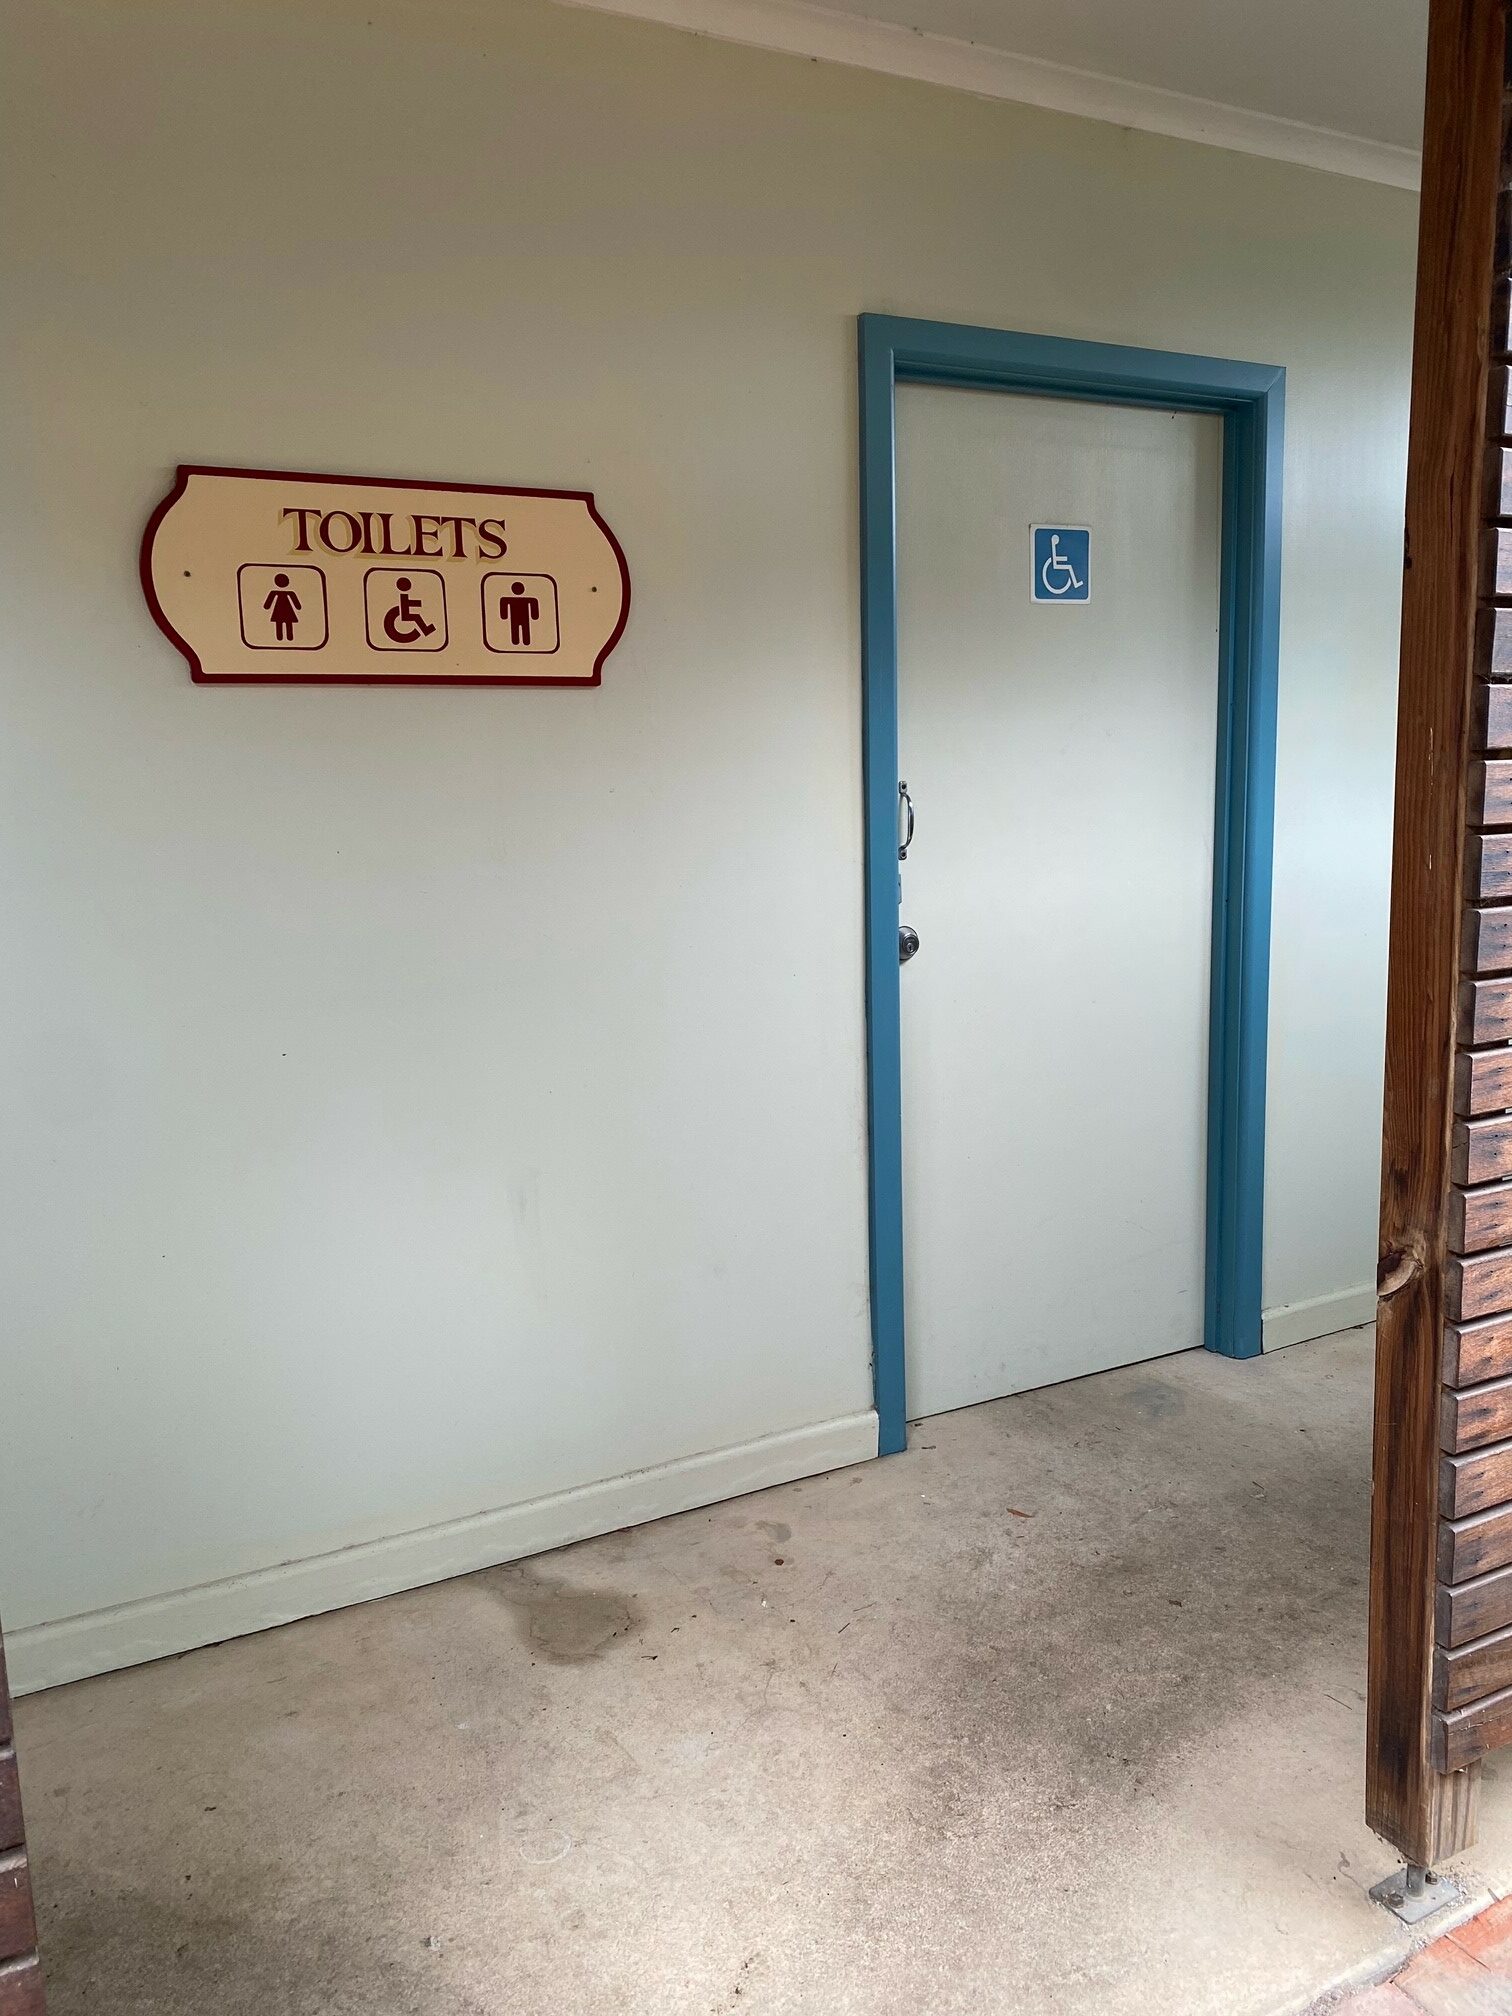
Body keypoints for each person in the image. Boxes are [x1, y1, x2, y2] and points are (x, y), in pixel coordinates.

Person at [499, 581, 540, 648]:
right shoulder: (509, 600)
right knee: (515, 629)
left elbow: (533, 603)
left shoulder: (528, 600)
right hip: (515, 618)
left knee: (525, 629)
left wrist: (534, 615)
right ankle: (516, 641)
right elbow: (504, 603)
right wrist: (504, 616)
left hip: (523, 618)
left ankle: (525, 641)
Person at [263, 573, 301, 642]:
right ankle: (280, 637)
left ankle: (289, 637)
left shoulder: (290, 593)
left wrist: (298, 606)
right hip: (280, 611)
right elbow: (268, 602)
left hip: (287, 611)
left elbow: (296, 602)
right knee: (279, 623)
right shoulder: (274, 593)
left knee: (288, 623)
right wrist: (267, 606)